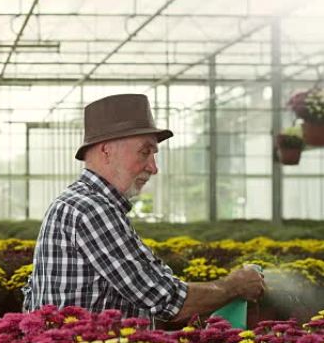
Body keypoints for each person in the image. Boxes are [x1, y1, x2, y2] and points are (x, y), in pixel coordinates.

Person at [22, 94, 264, 326]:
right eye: (145, 152)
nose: (153, 167)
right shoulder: (91, 209)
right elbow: (166, 300)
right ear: (106, 150)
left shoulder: (81, 203)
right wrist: (234, 286)